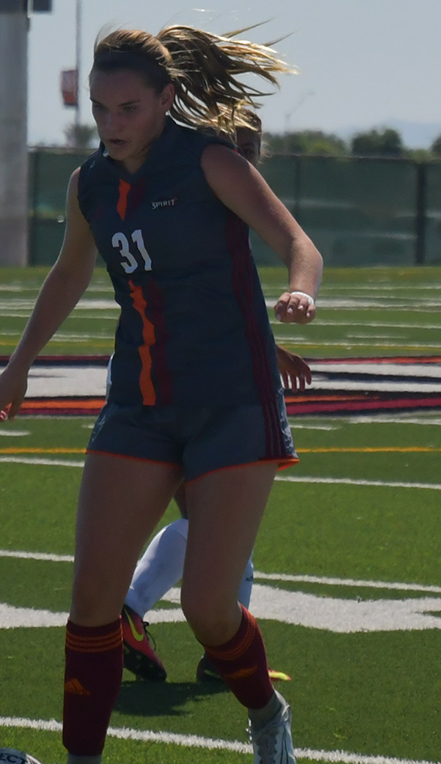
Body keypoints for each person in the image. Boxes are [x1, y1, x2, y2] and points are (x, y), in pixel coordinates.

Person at [0, 24, 321, 764]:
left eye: (129, 106)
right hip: (137, 404)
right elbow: (69, 273)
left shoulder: (210, 162)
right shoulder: (90, 184)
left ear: (167, 99)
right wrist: (19, 364)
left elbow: (294, 242)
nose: (113, 122)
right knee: (94, 596)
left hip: (232, 404)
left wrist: (300, 293)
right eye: (101, 108)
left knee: (209, 608)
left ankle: (267, 716)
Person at [120, 111, 307, 686]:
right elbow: (188, 297)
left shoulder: (192, 196)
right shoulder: (195, 198)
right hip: (187, 383)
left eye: (250, 148)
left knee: (221, 530)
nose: (247, 159)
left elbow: (210, 297)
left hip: (173, 370)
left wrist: (267, 350)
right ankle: (127, 613)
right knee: (214, 526)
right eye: (239, 146)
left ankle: (218, 649)